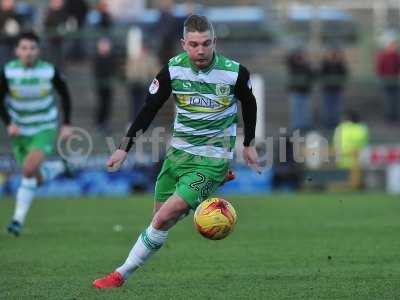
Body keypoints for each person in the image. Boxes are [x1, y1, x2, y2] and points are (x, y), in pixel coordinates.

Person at [93, 15, 259, 289]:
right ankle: (211, 185)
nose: (200, 50)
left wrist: (248, 143)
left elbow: (250, 106)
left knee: (160, 220)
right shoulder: (172, 70)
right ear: (183, 44)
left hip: (212, 159)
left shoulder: (234, 73)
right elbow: (149, 108)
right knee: (160, 222)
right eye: (194, 44)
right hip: (178, 156)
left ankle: (119, 275)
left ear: (214, 42)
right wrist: (124, 149)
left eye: (206, 43)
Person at [0, 31, 73, 236]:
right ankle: (59, 167)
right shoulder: (8, 72)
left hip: (44, 127)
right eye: (24, 48)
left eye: (32, 48)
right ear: (17, 51)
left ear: (38, 51)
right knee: (35, 177)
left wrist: (66, 123)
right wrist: (8, 123)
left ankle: (17, 221)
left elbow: (65, 95)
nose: (28, 52)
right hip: (20, 130)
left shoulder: (49, 71)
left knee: (28, 169)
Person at [319, 47, 348, 130]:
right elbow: (321, 74)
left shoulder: (340, 64)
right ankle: (327, 124)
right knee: (327, 108)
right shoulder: (325, 63)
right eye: (331, 53)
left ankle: (336, 125)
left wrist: (338, 62)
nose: (333, 55)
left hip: (337, 89)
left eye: (335, 53)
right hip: (327, 89)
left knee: (337, 108)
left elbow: (344, 73)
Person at [286, 48, 314, 132]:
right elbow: (288, 59)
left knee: (305, 110)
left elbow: (312, 75)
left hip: (305, 91)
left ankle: (305, 126)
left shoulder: (307, 65)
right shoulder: (293, 64)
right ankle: (296, 127)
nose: (301, 57)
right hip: (295, 91)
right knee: (296, 111)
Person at [93, 37, 115, 133]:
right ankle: (99, 123)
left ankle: (105, 123)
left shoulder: (110, 58)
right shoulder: (97, 58)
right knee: (102, 104)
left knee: (107, 104)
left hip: (108, 85)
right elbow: (97, 72)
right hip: (101, 85)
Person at [376, 39, 400, 123]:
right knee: (388, 100)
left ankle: (396, 117)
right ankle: (389, 118)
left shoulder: (396, 56)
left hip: (395, 81)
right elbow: (380, 68)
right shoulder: (383, 56)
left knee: (396, 100)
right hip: (386, 81)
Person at [0, 0, 22, 67]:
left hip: (14, 42)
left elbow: (20, 27)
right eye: (7, 1)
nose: (10, 3)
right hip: (2, 42)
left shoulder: (16, 14)